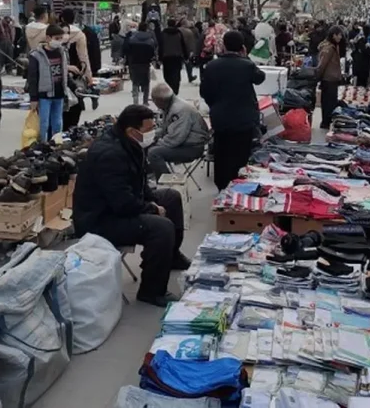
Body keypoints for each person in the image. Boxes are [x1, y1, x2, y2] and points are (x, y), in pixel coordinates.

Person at [73, 104, 189, 307]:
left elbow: (138, 182)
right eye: (148, 129)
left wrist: (151, 199)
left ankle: (171, 257)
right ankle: (151, 291)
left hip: (118, 206)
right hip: (99, 220)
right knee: (161, 227)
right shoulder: (110, 155)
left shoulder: (129, 145)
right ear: (131, 131)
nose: (152, 133)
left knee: (170, 196)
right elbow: (121, 203)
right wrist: (152, 208)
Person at [200, 30, 265, 191]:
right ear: (242, 47)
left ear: (224, 46)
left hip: (221, 118)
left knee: (222, 153)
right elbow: (260, 78)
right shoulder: (247, 65)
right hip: (243, 119)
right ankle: (237, 185)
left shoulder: (212, 66)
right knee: (241, 154)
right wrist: (246, 57)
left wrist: (216, 104)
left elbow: (205, 92)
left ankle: (222, 186)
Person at [147, 83, 211, 174]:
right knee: (147, 146)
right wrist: (151, 136)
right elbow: (165, 128)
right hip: (186, 144)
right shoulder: (170, 105)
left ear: (160, 101)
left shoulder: (179, 110)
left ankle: (167, 183)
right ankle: (149, 175)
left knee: (154, 153)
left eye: (154, 100)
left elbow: (175, 139)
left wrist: (155, 142)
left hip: (192, 148)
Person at [27, 24, 69, 142]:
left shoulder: (62, 52)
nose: (59, 41)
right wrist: (33, 98)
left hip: (59, 93)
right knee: (43, 123)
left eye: (61, 38)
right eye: (56, 38)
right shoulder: (36, 55)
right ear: (48, 38)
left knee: (57, 122)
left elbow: (64, 71)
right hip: (44, 95)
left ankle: (56, 144)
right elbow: (33, 78)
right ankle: (42, 144)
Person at [316, 26, 344, 130]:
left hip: (331, 78)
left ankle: (326, 122)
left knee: (329, 102)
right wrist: (318, 77)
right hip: (328, 79)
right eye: (339, 35)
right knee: (328, 102)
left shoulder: (332, 46)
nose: (340, 37)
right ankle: (325, 123)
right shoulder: (328, 48)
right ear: (334, 35)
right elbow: (322, 64)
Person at [124, 21, 157, 105]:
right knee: (146, 82)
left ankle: (135, 101)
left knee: (135, 82)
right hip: (145, 64)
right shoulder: (150, 40)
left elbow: (127, 50)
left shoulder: (132, 39)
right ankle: (145, 101)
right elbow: (152, 53)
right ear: (146, 29)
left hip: (134, 63)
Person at [59, 9, 92, 82]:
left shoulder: (54, 32)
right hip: (74, 71)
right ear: (74, 19)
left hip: (56, 71)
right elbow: (84, 57)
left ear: (62, 18)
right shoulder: (79, 34)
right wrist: (89, 77)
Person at [159, 19, 189, 95]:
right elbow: (183, 45)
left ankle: (169, 87)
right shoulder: (179, 33)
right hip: (177, 57)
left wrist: (159, 58)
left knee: (167, 74)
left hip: (166, 57)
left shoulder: (163, 33)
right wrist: (186, 56)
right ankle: (175, 89)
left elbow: (161, 46)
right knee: (176, 73)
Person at [178, 19, 199, 83]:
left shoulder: (177, 30)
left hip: (178, 49)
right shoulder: (188, 31)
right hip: (187, 50)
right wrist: (192, 51)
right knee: (188, 64)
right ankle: (190, 76)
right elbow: (191, 42)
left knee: (178, 65)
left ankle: (178, 78)